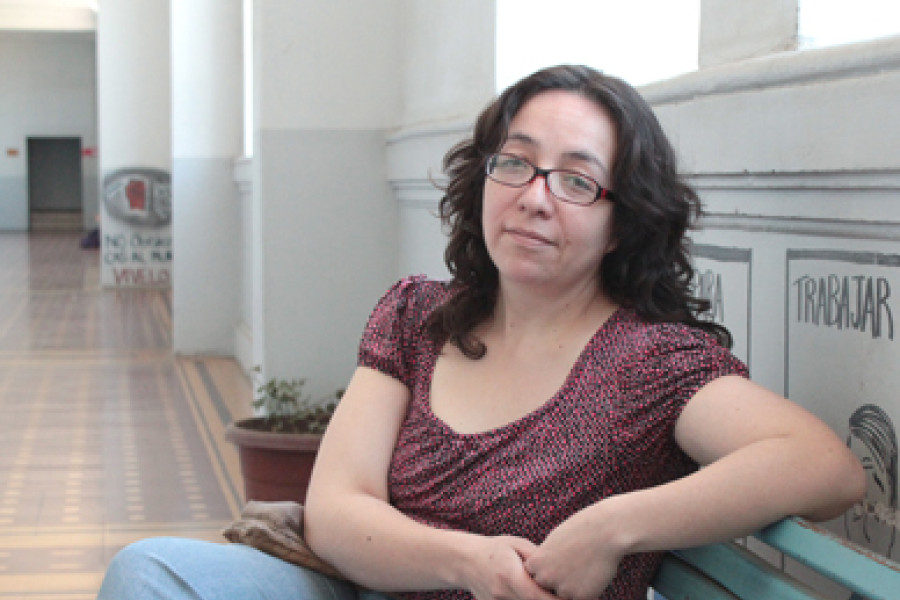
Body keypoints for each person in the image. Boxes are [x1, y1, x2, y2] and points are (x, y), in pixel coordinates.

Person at [97, 65, 865, 600]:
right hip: (360, 589)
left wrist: (613, 527)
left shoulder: (649, 364)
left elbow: (825, 468)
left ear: (623, 222)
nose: (535, 197)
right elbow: (337, 510)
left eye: (576, 180)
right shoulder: (417, 316)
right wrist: (469, 562)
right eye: (516, 164)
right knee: (148, 572)